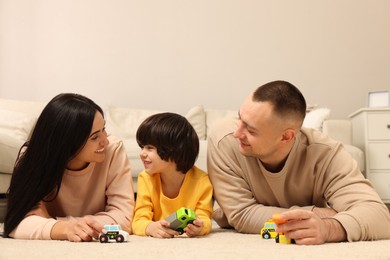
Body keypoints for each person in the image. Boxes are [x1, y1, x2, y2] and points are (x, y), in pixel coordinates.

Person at [207, 80, 390, 245]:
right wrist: (318, 213)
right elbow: (242, 214)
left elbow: (380, 217)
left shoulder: (325, 154)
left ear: (286, 137)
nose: (237, 133)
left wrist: (330, 228)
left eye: (251, 130)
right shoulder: (224, 139)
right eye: (240, 119)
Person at [3, 93, 135, 241]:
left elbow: (123, 216)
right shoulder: (32, 156)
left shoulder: (113, 150)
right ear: (67, 142)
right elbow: (17, 223)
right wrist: (65, 229)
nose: (106, 141)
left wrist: (60, 223)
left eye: (103, 129)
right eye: (95, 137)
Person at [132, 112, 213, 238]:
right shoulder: (146, 178)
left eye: (149, 148)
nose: (142, 153)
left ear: (174, 151)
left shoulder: (202, 181)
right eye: (142, 147)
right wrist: (149, 227)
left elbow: (205, 217)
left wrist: (200, 226)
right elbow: (138, 220)